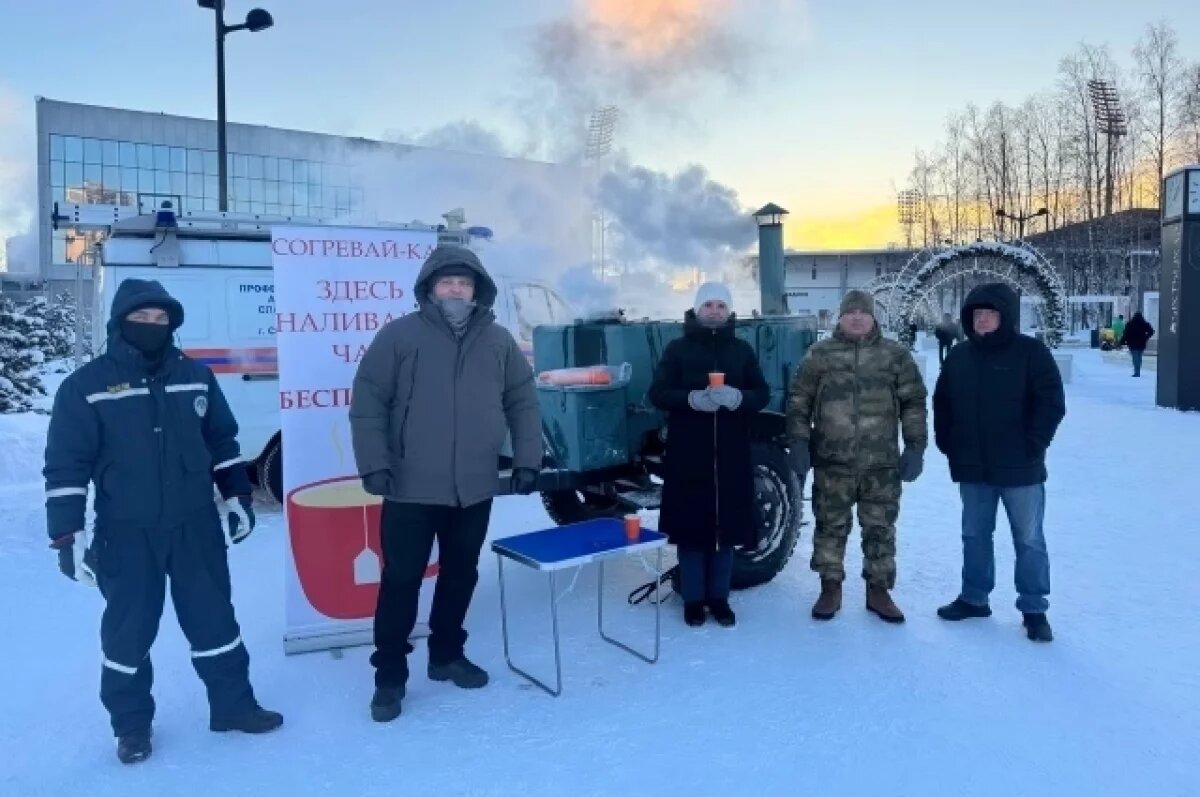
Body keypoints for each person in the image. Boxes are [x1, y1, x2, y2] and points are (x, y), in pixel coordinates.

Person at [43, 278, 282, 765]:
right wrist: (67, 533)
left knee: (215, 619)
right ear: (120, 322)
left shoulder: (195, 375)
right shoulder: (85, 387)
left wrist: (236, 494)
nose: (151, 326)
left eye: (160, 319)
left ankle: (233, 707)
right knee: (129, 632)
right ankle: (131, 727)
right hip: (125, 532)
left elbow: (222, 440)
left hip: (195, 526)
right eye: (141, 318)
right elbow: (66, 464)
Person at [350, 245, 541, 723]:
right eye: (447, 282)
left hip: (473, 486)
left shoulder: (498, 341)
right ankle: (389, 677)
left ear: (477, 290)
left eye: (465, 283)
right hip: (411, 485)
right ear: (429, 287)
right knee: (400, 582)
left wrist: (526, 458)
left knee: (461, 574)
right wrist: (374, 463)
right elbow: (369, 401)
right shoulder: (398, 336)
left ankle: (446, 655)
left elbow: (523, 401)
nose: (456, 289)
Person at [933, 283, 1066, 643]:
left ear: (1005, 316)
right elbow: (942, 403)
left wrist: (1033, 445)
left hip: (1021, 469)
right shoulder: (959, 357)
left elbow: (1051, 403)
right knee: (975, 535)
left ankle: (1034, 608)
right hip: (973, 468)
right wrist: (948, 442)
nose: (984, 320)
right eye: (977, 314)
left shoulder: (1031, 353)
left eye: (991, 313)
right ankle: (974, 597)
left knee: (1029, 539)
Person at [786, 290, 928, 624]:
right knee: (830, 526)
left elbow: (913, 402)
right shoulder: (820, 355)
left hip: (882, 464)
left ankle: (878, 590)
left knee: (880, 528)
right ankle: (829, 586)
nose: (856, 317)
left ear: (873, 316)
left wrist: (916, 446)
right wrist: (798, 441)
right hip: (832, 462)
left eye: (862, 312)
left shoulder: (895, 355)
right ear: (840, 316)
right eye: (850, 312)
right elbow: (798, 399)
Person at [648, 282, 770, 627]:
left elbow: (761, 394)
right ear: (697, 310)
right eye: (708, 305)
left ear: (729, 311)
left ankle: (719, 598)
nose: (714, 311)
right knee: (691, 531)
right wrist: (690, 399)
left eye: (720, 305)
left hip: (731, 454)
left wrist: (738, 398)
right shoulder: (678, 349)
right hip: (689, 454)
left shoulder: (742, 351)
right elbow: (657, 392)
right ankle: (692, 599)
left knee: (725, 530)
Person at [1118, 311, 1154, 377]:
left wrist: (1122, 342)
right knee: (1139, 357)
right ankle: (1138, 370)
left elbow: (1125, 334)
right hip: (1141, 343)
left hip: (1132, 343)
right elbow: (1151, 331)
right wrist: (1146, 337)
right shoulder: (1144, 324)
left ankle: (1136, 371)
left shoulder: (1130, 324)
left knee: (1135, 357)